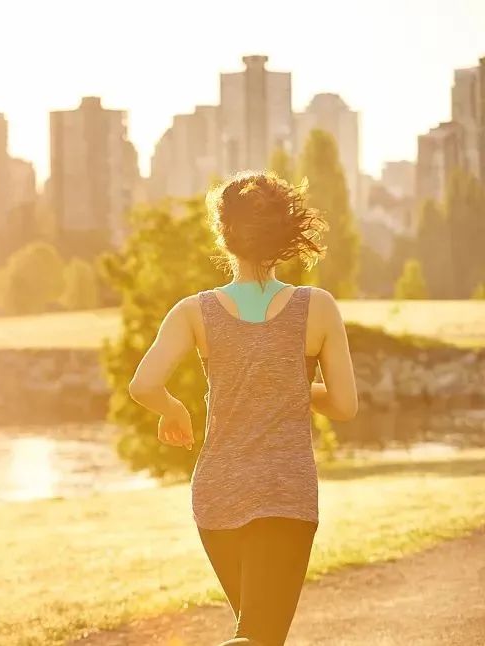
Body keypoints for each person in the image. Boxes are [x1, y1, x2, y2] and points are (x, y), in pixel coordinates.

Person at [127, 171, 358, 646]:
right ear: (281, 234)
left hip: (216, 497)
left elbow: (144, 384)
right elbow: (344, 405)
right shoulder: (318, 307)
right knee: (259, 636)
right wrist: (292, 389)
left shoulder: (194, 311)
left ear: (223, 234)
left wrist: (172, 409)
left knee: (257, 633)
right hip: (284, 494)